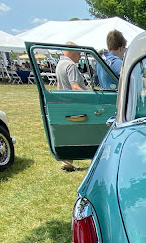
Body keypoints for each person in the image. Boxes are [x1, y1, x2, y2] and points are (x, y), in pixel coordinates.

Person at [55, 42, 87, 171]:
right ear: (71, 52)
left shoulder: (59, 64)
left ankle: (67, 162)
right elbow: (75, 86)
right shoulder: (70, 65)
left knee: (68, 133)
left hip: (65, 103)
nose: (80, 56)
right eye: (78, 53)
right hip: (75, 104)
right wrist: (89, 96)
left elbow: (59, 85)